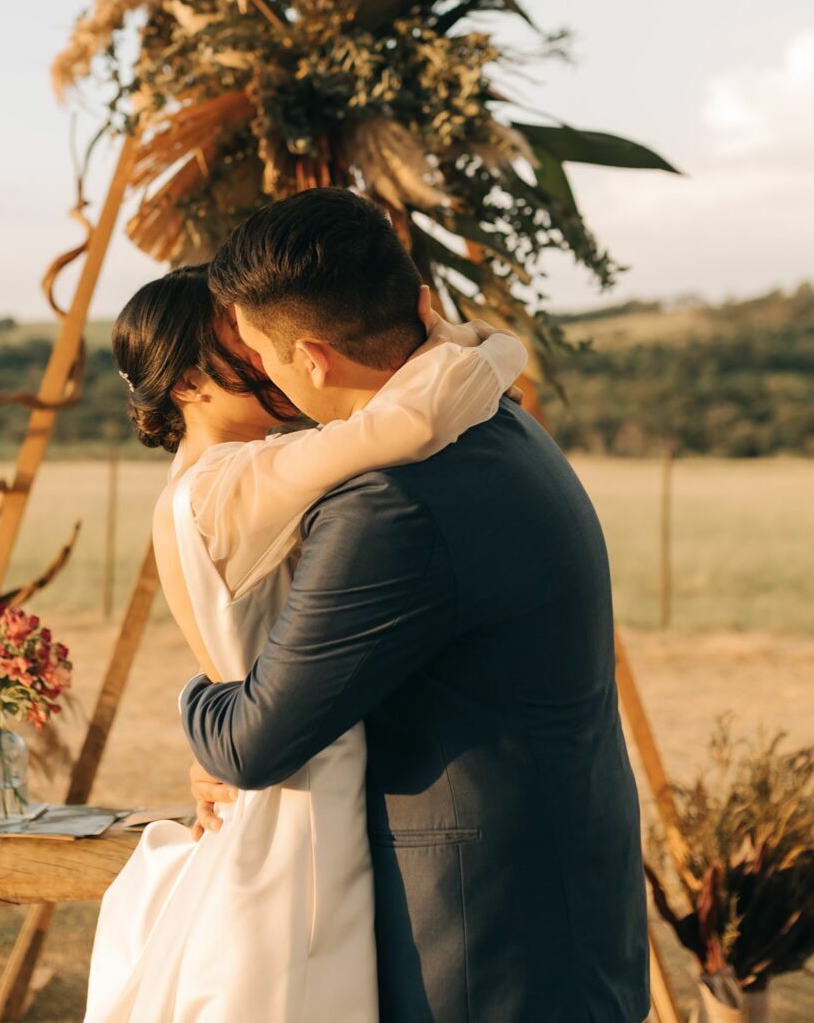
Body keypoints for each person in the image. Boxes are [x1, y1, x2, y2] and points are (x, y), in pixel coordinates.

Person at [181, 188, 652, 1022]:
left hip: (479, 945)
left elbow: (253, 742)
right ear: (423, 303)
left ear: (314, 360)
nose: (269, 380)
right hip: (564, 900)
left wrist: (196, 698)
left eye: (265, 357)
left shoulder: (393, 504)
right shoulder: (498, 420)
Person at [84, 256, 527, 1023]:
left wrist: (213, 738)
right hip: (305, 798)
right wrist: (485, 344)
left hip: (277, 775)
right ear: (188, 384)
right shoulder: (239, 481)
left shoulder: (194, 487)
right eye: (245, 348)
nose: (273, 359)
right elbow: (412, 421)